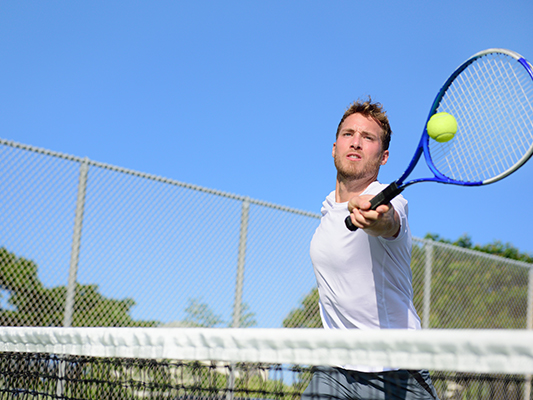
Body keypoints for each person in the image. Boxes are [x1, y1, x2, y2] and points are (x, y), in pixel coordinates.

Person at [303, 98, 439, 400]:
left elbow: (389, 220)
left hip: (395, 368)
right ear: (334, 146)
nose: (356, 143)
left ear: (384, 157)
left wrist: (375, 218)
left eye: (368, 138)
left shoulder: (387, 199)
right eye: (348, 134)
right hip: (334, 369)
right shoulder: (327, 210)